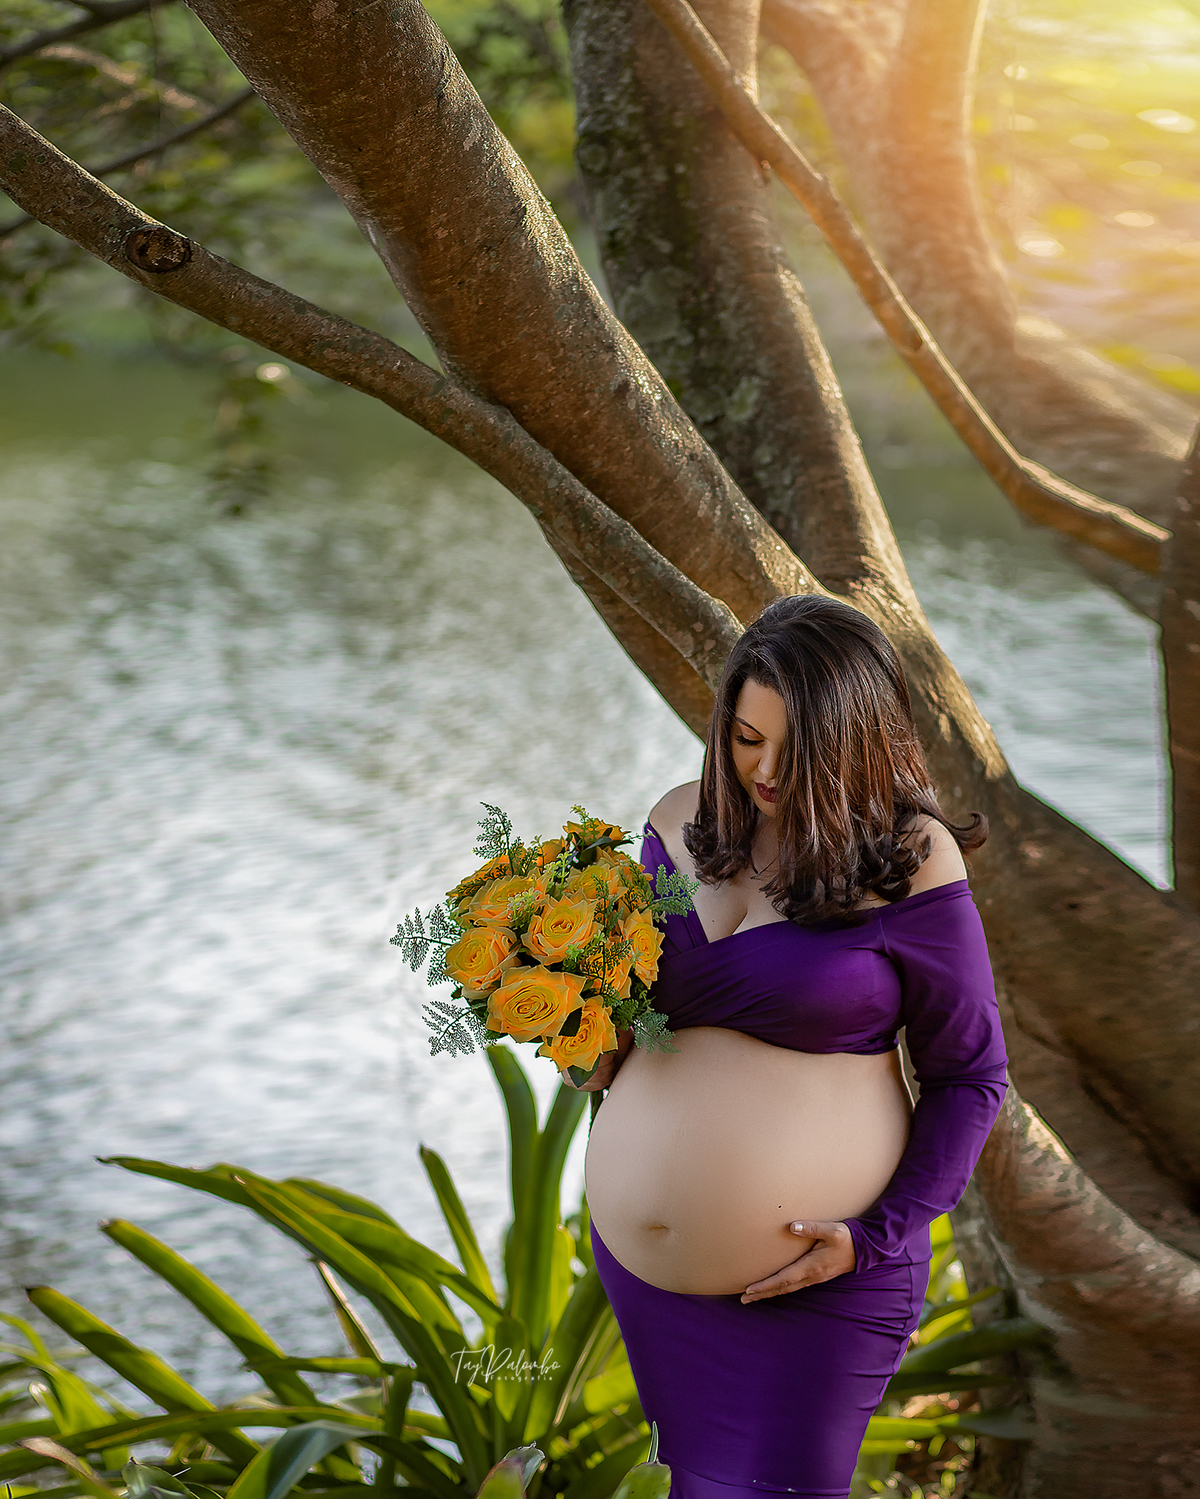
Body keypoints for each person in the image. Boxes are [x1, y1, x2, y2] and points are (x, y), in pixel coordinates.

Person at [577, 594, 1010, 1499]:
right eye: (746, 738)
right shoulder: (676, 822)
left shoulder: (911, 858)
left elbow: (971, 1076)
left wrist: (874, 1239)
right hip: (653, 1286)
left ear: (854, 740)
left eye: (795, 747)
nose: (765, 769)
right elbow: (631, 1018)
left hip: (823, 1281)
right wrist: (582, 1040)